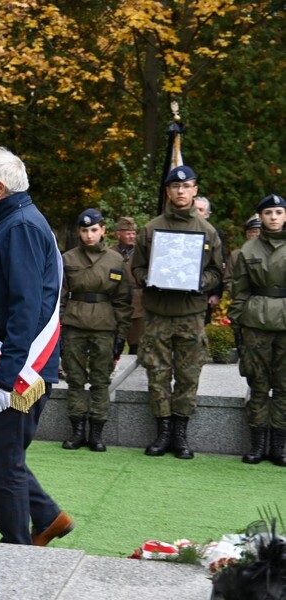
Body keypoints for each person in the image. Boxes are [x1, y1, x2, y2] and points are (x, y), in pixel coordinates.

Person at [0, 146, 73, 546]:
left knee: (5, 460)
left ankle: (16, 550)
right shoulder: (6, 222)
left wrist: (7, 375)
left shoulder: (21, 227)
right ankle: (46, 516)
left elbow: (25, 305)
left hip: (16, 366)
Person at [131, 166, 224, 459]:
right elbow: (136, 268)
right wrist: (150, 277)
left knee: (188, 374)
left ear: (195, 190)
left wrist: (198, 281)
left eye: (186, 186)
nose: (181, 191)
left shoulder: (208, 232)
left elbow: (216, 272)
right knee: (157, 372)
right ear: (168, 191)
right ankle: (163, 432)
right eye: (175, 187)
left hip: (190, 314)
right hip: (158, 313)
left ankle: (180, 433)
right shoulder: (150, 229)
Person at [60, 208, 132, 452]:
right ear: (79, 232)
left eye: (93, 230)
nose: (89, 235)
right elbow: (59, 297)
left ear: (103, 230)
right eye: (84, 230)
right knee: (75, 379)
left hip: (104, 327)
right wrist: (58, 329)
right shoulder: (68, 259)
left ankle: (96, 433)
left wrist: (121, 335)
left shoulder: (116, 260)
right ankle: (77, 431)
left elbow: (123, 301)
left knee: (101, 380)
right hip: (74, 325)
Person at [228, 194, 286, 466]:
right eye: (268, 213)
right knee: (258, 384)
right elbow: (239, 290)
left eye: (278, 212)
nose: (273, 217)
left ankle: (279, 446)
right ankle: (258, 444)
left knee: (284, 387)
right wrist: (236, 323)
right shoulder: (248, 250)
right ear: (260, 217)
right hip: (255, 324)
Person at [194, 196, 228, 323]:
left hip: (205, 289)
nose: (197, 212)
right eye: (194, 209)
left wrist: (216, 293)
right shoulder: (180, 229)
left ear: (207, 214)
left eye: (201, 209)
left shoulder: (215, 233)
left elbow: (220, 264)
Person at [112, 216, 143, 355]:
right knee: (114, 339)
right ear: (119, 234)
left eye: (133, 233)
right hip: (116, 300)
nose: (132, 236)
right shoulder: (110, 253)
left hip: (138, 303)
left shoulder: (141, 252)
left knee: (137, 342)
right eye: (128, 233)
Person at [224, 214, 262, 297]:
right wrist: (238, 294)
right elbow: (228, 280)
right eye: (255, 231)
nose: (258, 234)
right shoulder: (236, 255)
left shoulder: (273, 253)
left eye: (262, 231)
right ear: (248, 234)